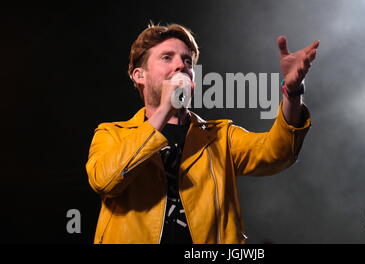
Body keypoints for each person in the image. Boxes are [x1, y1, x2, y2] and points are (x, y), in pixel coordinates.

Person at [86, 23, 319, 244]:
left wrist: (293, 91)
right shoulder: (111, 134)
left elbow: (278, 153)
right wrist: (165, 109)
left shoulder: (220, 136)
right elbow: (106, 182)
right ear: (140, 75)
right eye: (167, 58)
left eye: (187, 60)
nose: (181, 66)